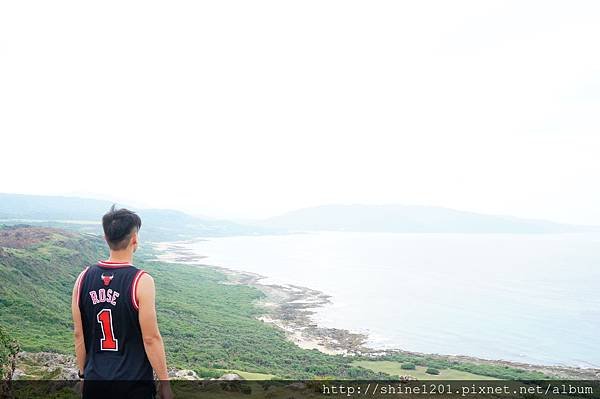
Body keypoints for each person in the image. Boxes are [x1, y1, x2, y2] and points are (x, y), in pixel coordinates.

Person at [71, 205, 172, 399]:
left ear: (106, 238)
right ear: (134, 240)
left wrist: (83, 376)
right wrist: (165, 384)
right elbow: (151, 339)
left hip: (95, 384)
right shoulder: (141, 281)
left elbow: (79, 335)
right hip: (133, 387)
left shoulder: (82, 278)